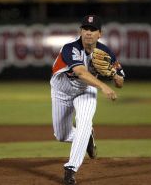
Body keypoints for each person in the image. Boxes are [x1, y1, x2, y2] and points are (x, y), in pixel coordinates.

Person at [50, 15, 125, 185]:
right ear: (80, 31)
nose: (88, 33)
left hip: (86, 91)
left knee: (84, 122)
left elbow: (120, 82)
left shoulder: (106, 52)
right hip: (62, 90)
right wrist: (104, 86)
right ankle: (87, 138)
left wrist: (114, 75)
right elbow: (81, 73)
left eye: (92, 30)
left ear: (100, 33)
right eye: (85, 29)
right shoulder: (70, 48)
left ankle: (71, 169)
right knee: (61, 135)